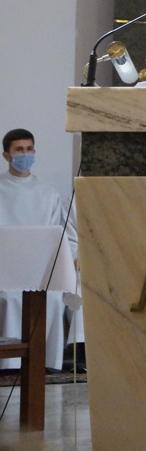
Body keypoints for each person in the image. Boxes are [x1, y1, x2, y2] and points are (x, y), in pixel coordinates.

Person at [0, 129, 78, 371]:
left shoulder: (48, 193)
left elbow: (57, 235)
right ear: (6, 156)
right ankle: (10, 365)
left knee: (53, 299)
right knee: (10, 299)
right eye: (19, 150)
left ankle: (46, 364)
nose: (25, 154)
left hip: (39, 271)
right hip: (5, 272)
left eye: (29, 149)